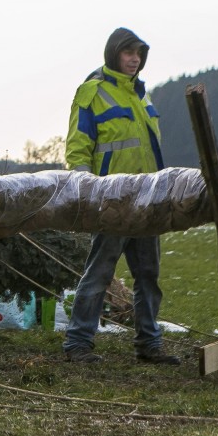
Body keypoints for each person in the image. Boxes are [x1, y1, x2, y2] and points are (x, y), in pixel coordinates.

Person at [62, 27, 179, 365]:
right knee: (100, 274)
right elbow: (78, 146)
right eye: (129, 53)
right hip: (111, 201)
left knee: (148, 277)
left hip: (149, 200)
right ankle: (78, 344)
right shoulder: (92, 92)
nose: (135, 59)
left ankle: (149, 345)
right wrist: (85, 192)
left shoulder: (142, 95)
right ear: (114, 53)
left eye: (139, 53)